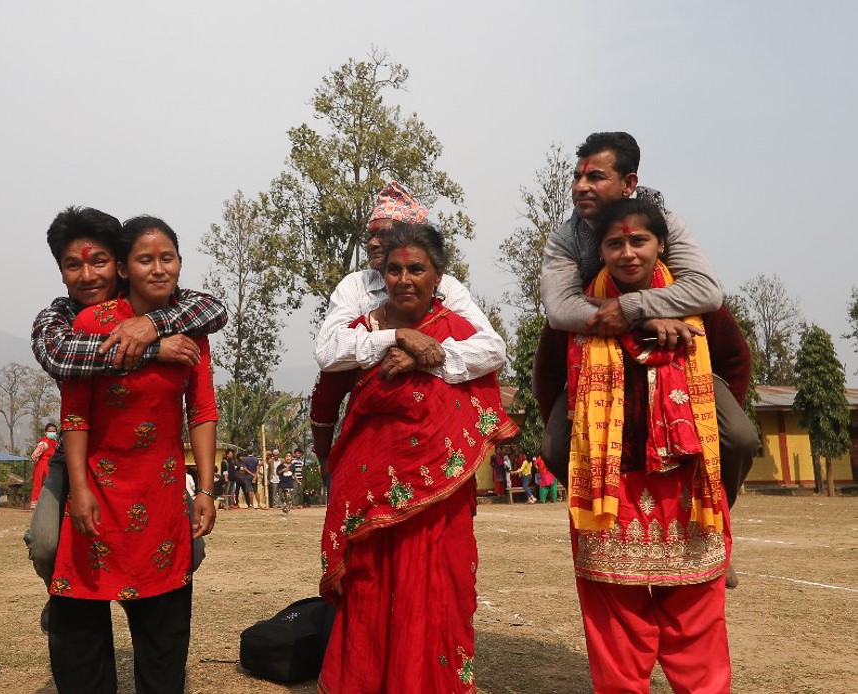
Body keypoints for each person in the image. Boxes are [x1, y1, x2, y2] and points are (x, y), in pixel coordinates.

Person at [534, 197, 749, 693]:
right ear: (601, 250)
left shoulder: (696, 301)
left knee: (695, 616)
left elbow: (734, 361)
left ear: (661, 246)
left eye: (639, 241)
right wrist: (579, 435)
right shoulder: (576, 309)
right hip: (611, 481)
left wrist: (707, 425)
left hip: (686, 479)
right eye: (615, 243)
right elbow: (547, 373)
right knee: (615, 621)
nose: (627, 253)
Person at [311, 223, 516, 693]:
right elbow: (327, 368)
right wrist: (397, 338)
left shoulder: (456, 330)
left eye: (416, 269)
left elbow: (493, 353)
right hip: (370, 488)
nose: (404, 279)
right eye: (395, 269)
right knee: (369, 586)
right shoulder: (363, 331)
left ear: (437, 275)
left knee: (438, 587)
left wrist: (430, 356)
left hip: (438, 496)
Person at [48, 215, 219, 694]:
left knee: (163, 627)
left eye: (168, 258)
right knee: (79, 620)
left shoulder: (193, 330)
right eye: (146, 259)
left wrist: (204, 489)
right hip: (97, 488)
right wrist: (78, 490)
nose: (159, 269)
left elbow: (202, 411)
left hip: (161, 492)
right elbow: (76, 414)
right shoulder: (89, 323)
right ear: (125, 268)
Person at [24, 205, 226, 588]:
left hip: (149, 462)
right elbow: (59, 355)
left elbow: (213, 310)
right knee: (48, 545)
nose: (87, 275)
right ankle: (63, 600)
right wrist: (153, 349)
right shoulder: (61, 317)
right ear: (61, 271)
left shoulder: (152, 300)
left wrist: (151, 324)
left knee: (190, 552)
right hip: (78, 455)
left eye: (99, 261)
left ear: (118, 265)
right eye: (73, 266)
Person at [315, 181, 506, 392]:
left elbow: (493, 349)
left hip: (435, 414)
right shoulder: (356, 285)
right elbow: (328, 351)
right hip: (370, 415)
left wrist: (424, 359)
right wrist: (397, 335)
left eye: (384, 235)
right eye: (370, 236)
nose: (372, 243)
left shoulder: (446, 287)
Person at [31, 423, 59, 509]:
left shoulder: (55, 443)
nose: (52, 433)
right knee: (41, 485)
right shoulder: (44, 443)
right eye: (50, 431)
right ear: (45, 432)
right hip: (43, 466)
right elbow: (34, 455)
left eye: (54, 431)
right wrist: (38, 463)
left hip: (52, 466)